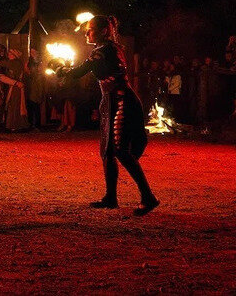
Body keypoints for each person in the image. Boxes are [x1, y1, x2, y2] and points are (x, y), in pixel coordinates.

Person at [58, 15, 160, 216]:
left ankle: (148, 197)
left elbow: (78, 72)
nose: (87, 33)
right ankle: (110, 198)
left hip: (121, 101)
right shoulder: (106, 50)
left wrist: (59, 68)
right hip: (111, 100)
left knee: (120, 150)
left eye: (91, 29)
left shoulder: (103, 52)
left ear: (104, 31)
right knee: (107, 151)